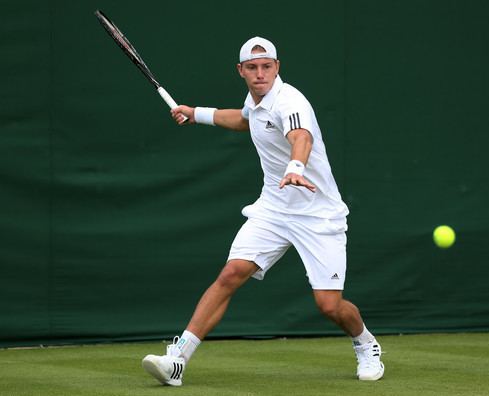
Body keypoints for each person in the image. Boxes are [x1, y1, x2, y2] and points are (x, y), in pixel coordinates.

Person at [141, 36, 384, 386]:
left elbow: (301, 136)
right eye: (252, 68)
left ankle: (366, 343)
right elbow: (244, 120)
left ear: (277, 68)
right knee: (230, 274)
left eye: (266, 66)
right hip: (273, 208)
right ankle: (177, 359)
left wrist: (295, 168)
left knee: (329, 306)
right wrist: (197, 114)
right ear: (241, 71)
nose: (260, 74)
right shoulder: (256, 102)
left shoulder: (290, 101)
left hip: (318, 214)